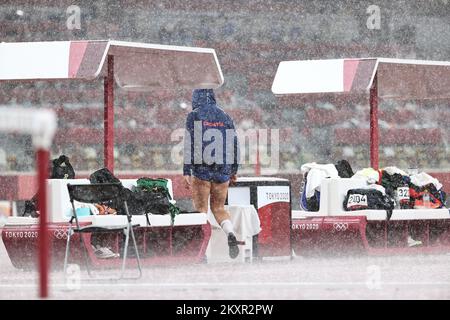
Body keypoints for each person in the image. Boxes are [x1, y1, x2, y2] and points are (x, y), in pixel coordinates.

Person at [183, 89, 240, 259]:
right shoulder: (225, 116)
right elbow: (234, 144)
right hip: (223, 168)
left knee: (201, 211)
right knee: (219, 208)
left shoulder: (194, 115)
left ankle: (203, 254)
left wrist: (187, 170)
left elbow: (189, 143)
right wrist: (234, 170)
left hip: (202, 168)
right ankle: (230, 233)